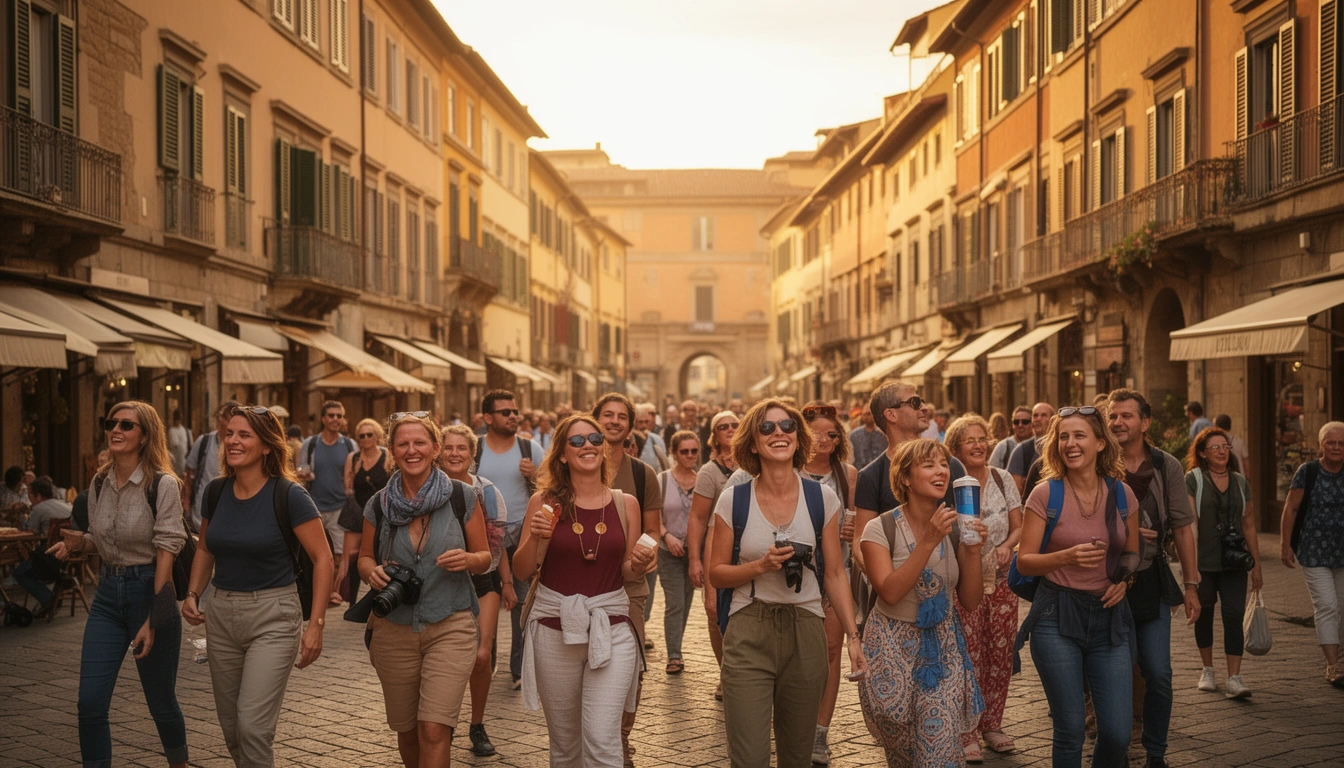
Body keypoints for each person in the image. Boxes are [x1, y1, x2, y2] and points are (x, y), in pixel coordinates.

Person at [708, 399, 865, 767]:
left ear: (798, 437)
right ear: (752, 443)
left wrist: (853, 637)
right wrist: (760, 566)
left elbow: (835, 573)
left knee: (797, 756)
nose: (778, 433)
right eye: (767, 427)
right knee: (749, 757)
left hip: (805, 629)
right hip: (749, 628)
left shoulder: (822, 498)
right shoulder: (734, 499)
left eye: (787, 426)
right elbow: (717, 573)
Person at [181, 405, 332, 768]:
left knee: (252, 727)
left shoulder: (289, 495)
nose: (233, 441)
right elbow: (205, 548)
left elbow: (324, 558)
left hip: (273, 616)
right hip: (220, 615)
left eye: (244, 435)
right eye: (229, 434)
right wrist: (192, 594)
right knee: (232, 729)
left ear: (267, 445)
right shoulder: (216, 491)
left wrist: (316, 625)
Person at [47, 401, 189, 768]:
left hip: (150, 589)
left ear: (145, 436)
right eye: (111, 423)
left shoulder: (163, 484)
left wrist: (153, 618)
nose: (116, 430)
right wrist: (80, 544)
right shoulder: (99, 482)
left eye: (127, 425)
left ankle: (178, 764)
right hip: (108, 595)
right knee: (90, 703)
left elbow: (167, 549)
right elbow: (102, 539)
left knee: (161, 703)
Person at [512, 414, 653, 767]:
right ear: (562, 454)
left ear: (603, 448)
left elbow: (627, 571)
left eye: (594, 439)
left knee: (603, 739)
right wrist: (535, 536)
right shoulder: (544, 502)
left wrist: (639, 564)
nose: (587, 446)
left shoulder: (626, 504)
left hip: (612, 628)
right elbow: (522, 570)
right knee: (565, 745)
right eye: (576, 441)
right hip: (553, 630)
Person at [355, 412, 491, 768]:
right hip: (393, 629)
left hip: (450, 624)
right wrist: (372, 572)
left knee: (433, 729)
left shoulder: (462, 496)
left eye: (419, 443)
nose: (411, 450)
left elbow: (485, 557)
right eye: (403, 444)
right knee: (408, 732)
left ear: (435, 449)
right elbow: (364, 557)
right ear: (392, 450)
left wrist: (469, 559)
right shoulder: (378, 504)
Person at [1015, 405, 1140, 768]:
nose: (1070, 443)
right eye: (1063, 437)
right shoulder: (1045, 494)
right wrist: (1065, 557)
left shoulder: (1122, 494)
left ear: (1100, 443)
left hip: (1109, 617)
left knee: (1117, 734)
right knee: (1070, 729)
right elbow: (1025, 561)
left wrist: (1126, 580)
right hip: (1056, 615)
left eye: (1079, 436)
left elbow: (1133, 553)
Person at [858, 439, 988, 766]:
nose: (941, 471)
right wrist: (929, 540)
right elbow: (889, 592)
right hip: (889, 647)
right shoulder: (879, 529)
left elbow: (971, 601)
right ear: (905, 478)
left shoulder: (956, 528)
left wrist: (973, 551)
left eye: (943, 464)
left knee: (936, 751)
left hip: (942, 650)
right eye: (929, 465)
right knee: (901, 751)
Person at [1107, 389, 1199, 768]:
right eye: (1113, 416)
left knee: (1159, 673)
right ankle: (1116, 747)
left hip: (1152, 580)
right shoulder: (1098, 463)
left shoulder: (1165, 466)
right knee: (1119, 672)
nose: (1117, 422)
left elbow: (1182, 527)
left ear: (1144, 423)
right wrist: (1122, 530)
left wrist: (1191, 585)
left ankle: (1155, 753)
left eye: (1126, 416)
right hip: (1108, 583)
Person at [945, 414, 1023, 760]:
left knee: (1000, 654)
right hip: (966, 581)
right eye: (970, 440)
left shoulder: (1003, 479)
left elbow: (1019, 526)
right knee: (969, 654)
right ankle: (967, 732)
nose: (978, 446)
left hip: (1003, 582)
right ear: (956, 447)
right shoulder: (950, 482)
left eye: (982, 439)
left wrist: (1008, 546)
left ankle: (992, 725)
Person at [592, 392, 662, 765]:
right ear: (595, 420)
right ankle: (595, 739)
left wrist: (646, 553)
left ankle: (620, 739)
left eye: (622, 416)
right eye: (608, 414)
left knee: (629, 668)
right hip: (580, 586)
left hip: (628, 586)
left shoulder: (641, 473)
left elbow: (653, 529)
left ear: (630, 427)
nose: (614, 421)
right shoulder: (577, 465)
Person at [440, 423, 516, 756]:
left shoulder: (487, 492)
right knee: (446, 661)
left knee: (482, 657)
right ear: (438, 452)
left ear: (472, 454)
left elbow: (497, 547)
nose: (455, 453)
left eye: (462, 448)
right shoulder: (427, 489)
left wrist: (508, 583)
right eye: (448, 447)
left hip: (484, 582)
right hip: (441, 585)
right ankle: (443, 723)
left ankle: (477, 724)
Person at [853, 382, 965, 573]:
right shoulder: (871, 476)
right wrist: (883, 580)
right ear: (891, 415)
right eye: (914, 402)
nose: (924, 408)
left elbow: (966, 527)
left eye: (922, 401)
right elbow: (860, 541)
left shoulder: (951, 466)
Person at [799, 401, 858, 765]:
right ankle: (796, 725)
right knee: (799, 657)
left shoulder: (847, 474)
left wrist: (853, 528)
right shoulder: (789, 471)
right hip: (798, 575)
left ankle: (820, 733)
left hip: (837, 573)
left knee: (832, 651)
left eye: (831, 434)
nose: (824, 440)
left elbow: (858, 521)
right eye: (816, 434)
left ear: (839, 440)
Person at [473, 389, 543, 689]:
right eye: (506, 412)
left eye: (515, 412)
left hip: (521, 534)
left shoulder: (529, 448)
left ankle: (519, 668)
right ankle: (485, 662)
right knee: (485, 599)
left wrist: (534, 475)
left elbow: (550, 488)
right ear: (488, 418)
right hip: (483, 538)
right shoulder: (475, 449)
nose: (513, 416)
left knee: (523, 603)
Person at [1184, 427, 1260, 699]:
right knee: (1203, 614)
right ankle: (1207, 669)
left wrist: (1256, 565)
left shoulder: (1240, 482)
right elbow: (1190, 524)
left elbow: (1248, 524)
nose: (1221, 451)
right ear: (1203, 453)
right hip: (1203, 562)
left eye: (1225, 447)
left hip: (1234, 561)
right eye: (1214, 447)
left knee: (1233, 615)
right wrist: (1190, 567)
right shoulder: (1193, 479)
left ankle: (1234, 678)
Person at [1279, 421, 1344, 686]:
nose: (1336, 447)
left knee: (1342, 607)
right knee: (1327, 605)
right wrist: (1285, 544)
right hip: (1314, 551)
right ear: (1321, 446)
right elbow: (1291, 508)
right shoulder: (1308, 471)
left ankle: (1339, 657)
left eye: (1341, 443)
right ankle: (1332, 665)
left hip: (1342, 552)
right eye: (1331, 442)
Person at [685, 410, 743, 695]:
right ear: (714, 435)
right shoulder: (709, 472)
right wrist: (695, 560)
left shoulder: (753, 464)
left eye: (734, 425)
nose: (730, 429)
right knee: (715, 612)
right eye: (723, 426)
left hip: (745, 553)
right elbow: (698, 518)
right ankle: (726, 673)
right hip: (717, 549)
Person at [297, 400, 356, 606]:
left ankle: (332, 592)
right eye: (331, 415)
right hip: (313, 507)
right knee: (315, 553)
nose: (335, 419)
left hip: (340, 507)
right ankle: (317, 591)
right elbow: (300, 470)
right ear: (323, 419)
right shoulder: (310, 444)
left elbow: (354, 473)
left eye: (339, 416)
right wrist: (305, 474)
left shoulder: (349, 445)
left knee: (338, 555)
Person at [335, 418, 393, 605]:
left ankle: (381, 597)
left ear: (377, 436)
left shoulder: (387, 456)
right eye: (362, 436)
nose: (366, 438)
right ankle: (351, 602)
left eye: (370, 434)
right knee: (351, 556)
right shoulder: (353, 458)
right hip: (358, 512)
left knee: (381, 555)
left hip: (382, 513)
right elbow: (348, 487)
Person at [656, 430, 700, 675]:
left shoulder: (703, 480)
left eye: (694, 451)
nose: (690, 455)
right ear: (674, 453)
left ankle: (677, 648)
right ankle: (674, 655)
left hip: (694, 553)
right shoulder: (662, 480)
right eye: (684, 451)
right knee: (675, 603)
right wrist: (666, 535)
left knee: (686, 601)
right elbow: (653, 516)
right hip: (668, 551)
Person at [13, 477, 73, 616]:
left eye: (30, 495)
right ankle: (48, 599)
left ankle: (47, 599)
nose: (29, 498)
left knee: (19, 572)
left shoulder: (38, 508)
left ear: (38, 496)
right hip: (71, 556)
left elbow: (30, 533)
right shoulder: (66, 504)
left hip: (50, 558)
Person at [185, 401, 239, 527]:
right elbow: (189, 474)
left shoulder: (239, 447)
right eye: (225, 416)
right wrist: (186, 503)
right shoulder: (204, 442)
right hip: (199, 516)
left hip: (231, 516)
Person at [1008, 402, 1056, 497]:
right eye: (1035, 416)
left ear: (1053, 420)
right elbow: (1014, 491)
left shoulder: (1062, 447)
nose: (1038, 419)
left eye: (1043, 415)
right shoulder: (1021, 450)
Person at [989, 406, 1034, 470]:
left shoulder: (1038, 446)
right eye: (1016, 422)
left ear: (1032, 423)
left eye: (1025, 422)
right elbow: (991, 471)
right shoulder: (1002, 447)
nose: (1020, 425)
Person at [848, 406, 889, 471]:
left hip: (880, 471)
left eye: (869, 414)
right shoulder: (854, 435)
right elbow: (850, 458)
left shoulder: (883, 434)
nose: (866, 417)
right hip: (860, 472)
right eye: (864, 414)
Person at [635, 405, 670, 471]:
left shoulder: (657, 440)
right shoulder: (628, 441)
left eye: (646, 422)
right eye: (640, 422)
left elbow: (665, 465)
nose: (644, 425)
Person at [167, 409, 192, 477]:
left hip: (179, 462)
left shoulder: (174, 431)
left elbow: (174, 443)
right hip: (179, 462)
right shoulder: (184, 430)